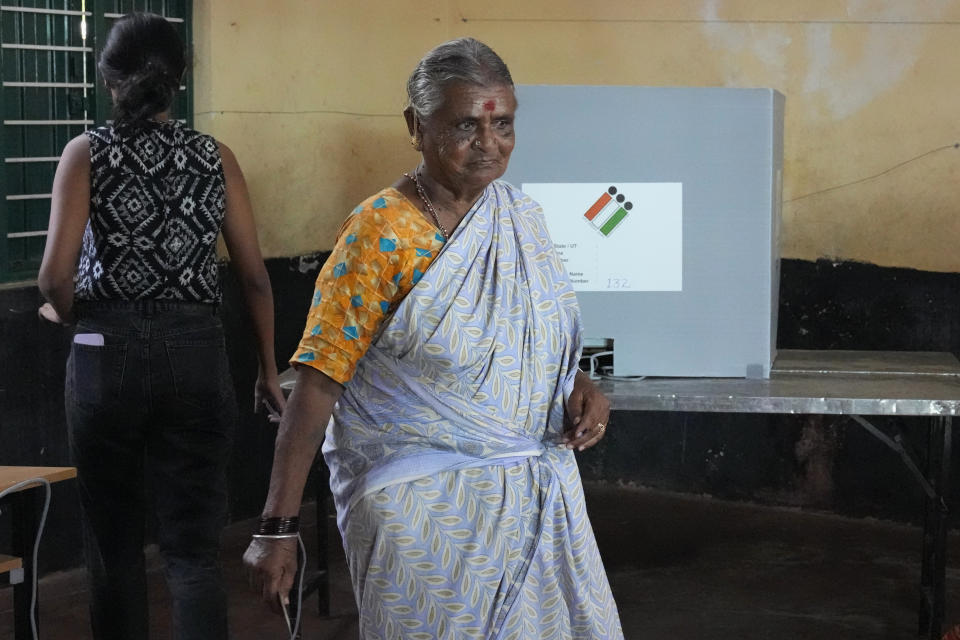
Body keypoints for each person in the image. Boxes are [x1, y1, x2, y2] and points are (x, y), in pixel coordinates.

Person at [244, 37, 623, 638]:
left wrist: (578, 384)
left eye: (502, 123)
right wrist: (277, 528)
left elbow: (540, 343)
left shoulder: (519, 218)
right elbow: (317, 383)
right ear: (416, 127)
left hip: (529, 491)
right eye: (465, 125)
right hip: (415, 508)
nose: (489, 143)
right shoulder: (380, 231)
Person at [37, 12, 286, 640]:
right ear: (179, 78)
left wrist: (71, 316)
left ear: (109, 79)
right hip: (197, 350)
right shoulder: (216, 157)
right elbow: (255, 278)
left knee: (114, 551)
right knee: (194, 551)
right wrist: (265, 369)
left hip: (104, 350)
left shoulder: (85, 153)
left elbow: (52, 278)